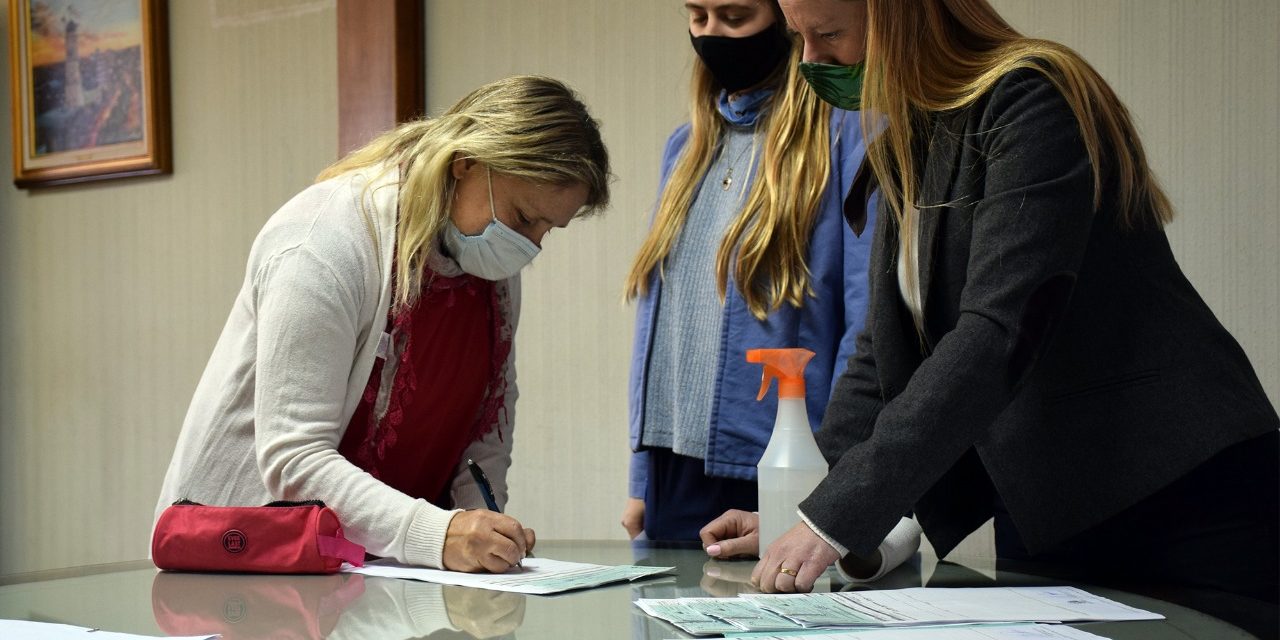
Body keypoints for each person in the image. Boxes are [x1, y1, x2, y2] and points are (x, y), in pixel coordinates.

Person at [702, 0, 1280, 617]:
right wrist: (809, 511)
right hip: (1054, 505)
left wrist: (832, 520)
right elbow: (884, 355)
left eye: (829, 35)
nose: (811, 61)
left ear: (902, 20)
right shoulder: (914, 137)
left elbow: (999, 332)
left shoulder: (1033, 100)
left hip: (1179, 498)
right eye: (800, 38)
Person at [155, 76, 611, 573]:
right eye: (524, 218)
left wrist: (484, 525)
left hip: (377, 567)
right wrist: (437, 533)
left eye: (549, 228)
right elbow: (293, 460)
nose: (532, 246)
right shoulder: (324, 241)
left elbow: (486, 432)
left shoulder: (488, 260)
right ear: (466, 164)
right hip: (251, 557)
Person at [621, 0, 919, 581]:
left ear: (786, 20)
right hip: (672, 470)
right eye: (698, 16)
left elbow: (871, 320)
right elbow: (660, 321)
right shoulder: (684, 149)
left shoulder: (852, 134)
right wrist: (640, 479)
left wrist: (842, 481)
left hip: (787, 466)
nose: (712, 35)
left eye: (734, 17)